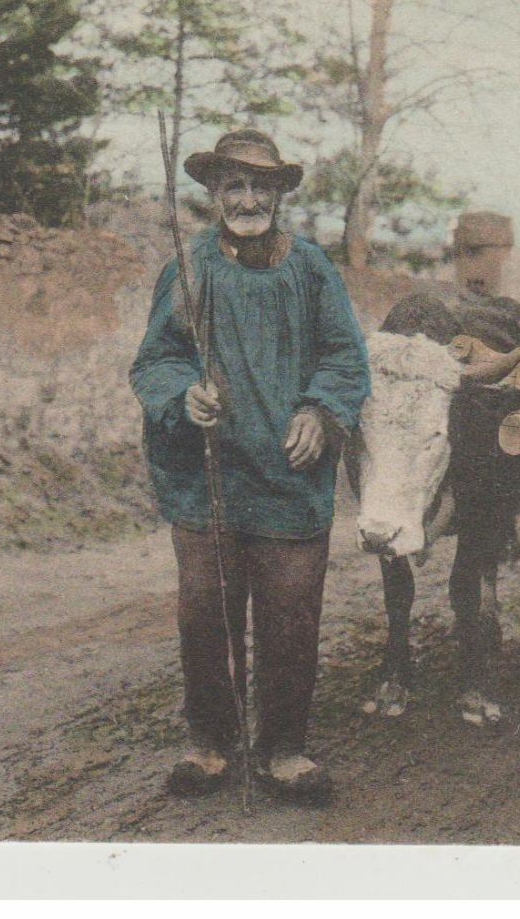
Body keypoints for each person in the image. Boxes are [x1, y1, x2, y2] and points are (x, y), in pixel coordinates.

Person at [129, 128, 370, 805]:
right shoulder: (189, 268)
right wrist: (185, 393)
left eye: (260, 186)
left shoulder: (311, 270)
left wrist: (320, 412)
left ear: (279, 194)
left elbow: (346, 358)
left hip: (291, 478)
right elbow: (155, 361)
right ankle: (209, 744)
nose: (247, 198)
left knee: (291, 618)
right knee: (207, 615)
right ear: (212, 194)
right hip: (207, 476)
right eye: (233, 185)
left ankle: (284, 749)